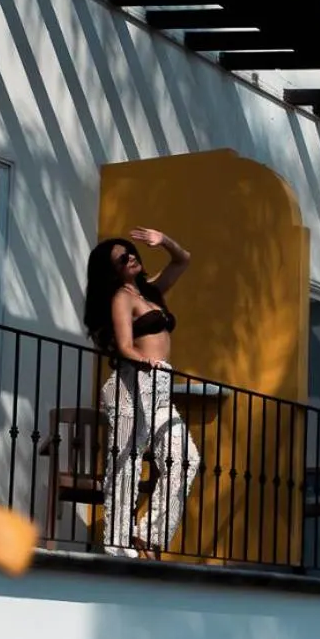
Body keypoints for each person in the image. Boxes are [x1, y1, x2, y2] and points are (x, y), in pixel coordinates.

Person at [81, 227, 199, 559]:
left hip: (160, 384)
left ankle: (148, 534)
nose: (131, 256)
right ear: (112, 269)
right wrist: (145, 361)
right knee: (126, 461)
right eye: (122, 257)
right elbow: (123, 345)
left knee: (186, 458)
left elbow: (183, 260)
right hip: (135, 381)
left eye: (131, 251)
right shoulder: (122, 297)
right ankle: (117, 543)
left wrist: (165, 241)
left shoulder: (149, 292)